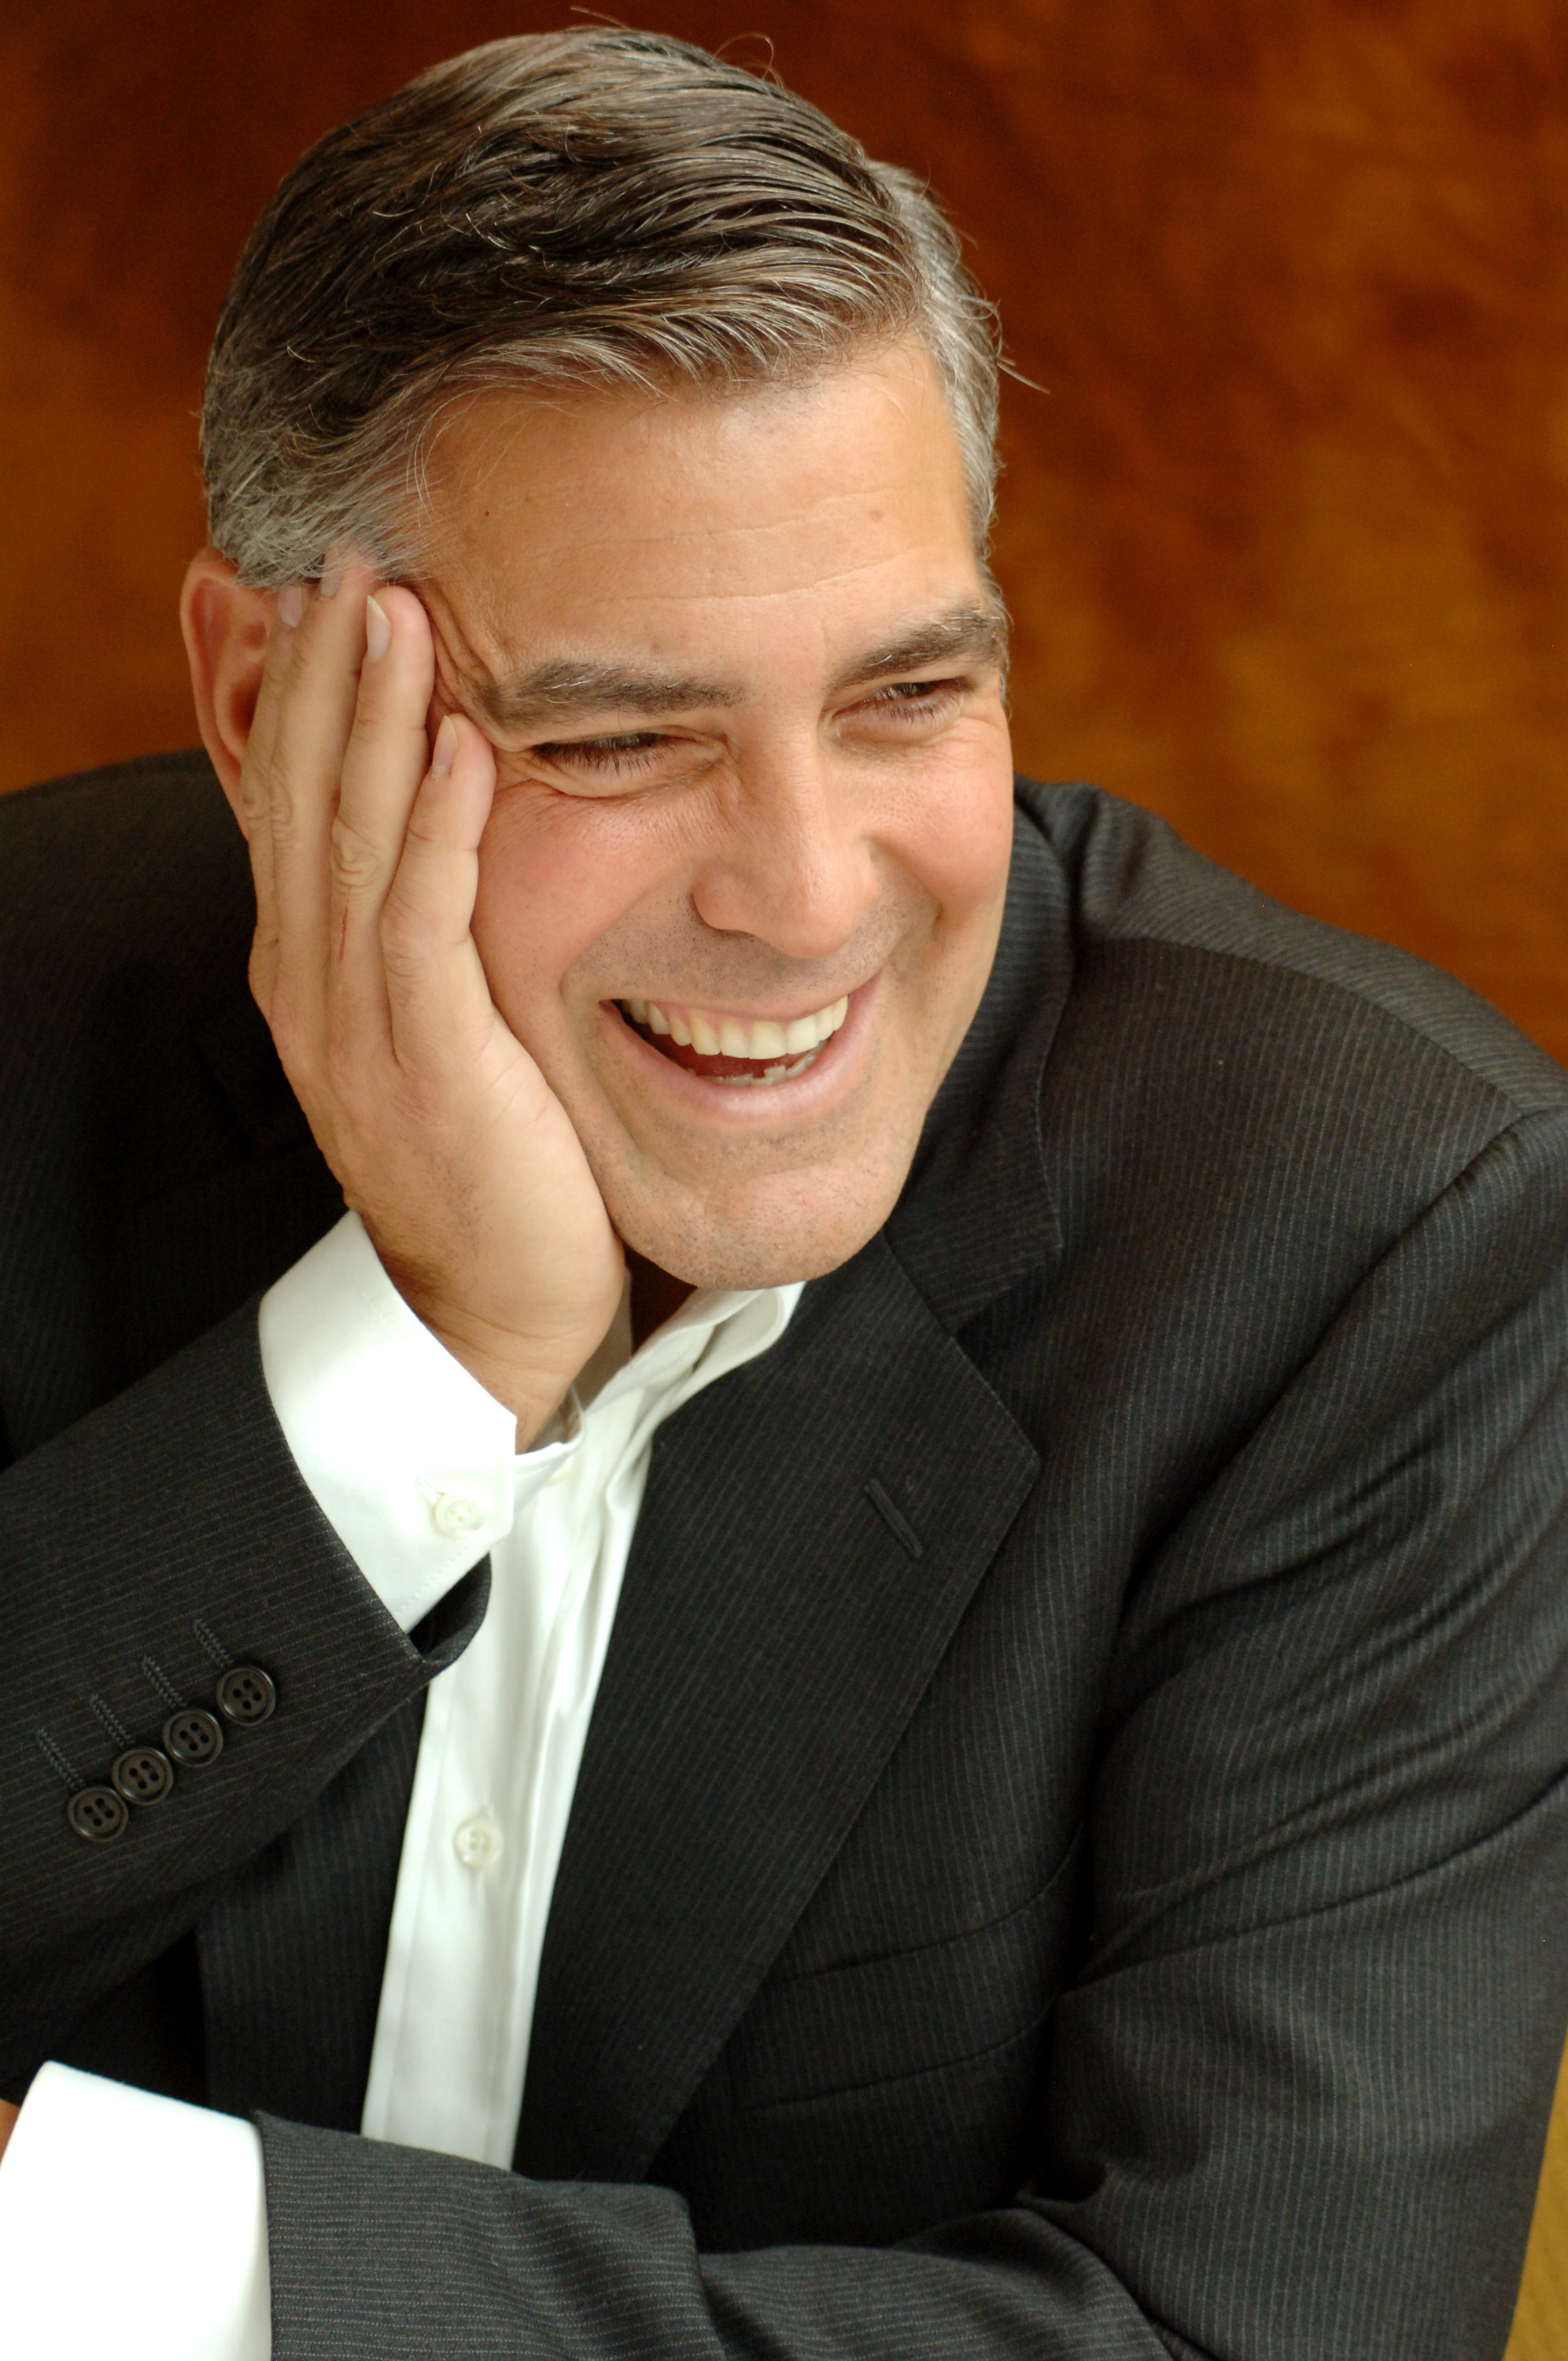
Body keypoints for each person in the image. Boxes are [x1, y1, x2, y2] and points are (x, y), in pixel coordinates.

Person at [2, 26, 1566, 2359]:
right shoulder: (23, 1004)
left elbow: (1244, 2334)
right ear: (260, 705)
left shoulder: (1368, 1234)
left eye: (906, 698)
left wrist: (116, 2255)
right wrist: (424, 1357)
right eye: (618, 739)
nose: (809, 896)